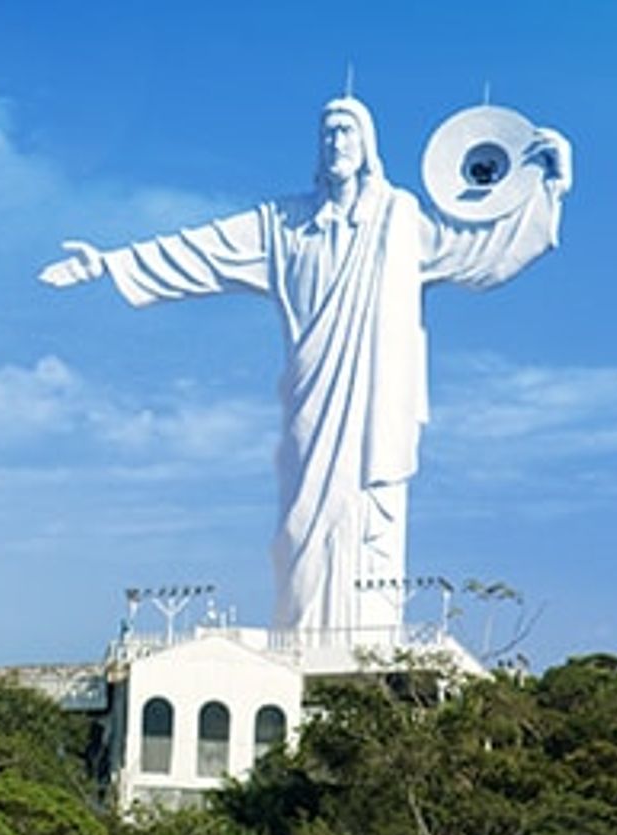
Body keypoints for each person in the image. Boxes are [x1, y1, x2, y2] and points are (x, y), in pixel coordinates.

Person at [40, 96, 571, 635]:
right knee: (300, 524)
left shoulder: (399, 216)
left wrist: (548, 187)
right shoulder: (284, 223)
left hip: (374, 400)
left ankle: (366, 633)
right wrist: (111, 262)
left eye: (347, 132)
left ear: (367, 146)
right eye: (328, 133)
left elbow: (474, 249)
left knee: (369, 508)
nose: (336, 143)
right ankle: (302, 630)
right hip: (311, 396)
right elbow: (203, 249)